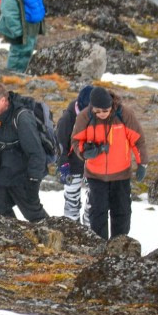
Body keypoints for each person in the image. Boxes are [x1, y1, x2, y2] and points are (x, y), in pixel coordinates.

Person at [71, 87, 149, 240]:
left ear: (111, 106)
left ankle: (119, 245)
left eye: (104, 111)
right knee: (97, 213)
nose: (101, 114)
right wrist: (84, 152)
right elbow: (76, 141)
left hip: (121, 174)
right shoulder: (84, 117)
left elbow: (138, 140)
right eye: (97, 111)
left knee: (122, 211)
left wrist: (142, 164)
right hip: (95, 176)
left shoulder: (124, 114)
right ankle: (100, 246)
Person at [0, 83, 48, 222]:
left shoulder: (22, 118)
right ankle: (15, 242)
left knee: (35, 216)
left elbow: (36, 153)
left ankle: (57, 239)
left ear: (3, 101)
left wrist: (33, 182)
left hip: (22, 178)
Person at [55, 85, 94, 225]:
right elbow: (60, 146)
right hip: (73, 164)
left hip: (93, 165)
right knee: (72, 201)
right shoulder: (68, 118)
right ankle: (72, 231)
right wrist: (63, 167)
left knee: (93, 202)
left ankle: (90, 233)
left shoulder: (98, 115)